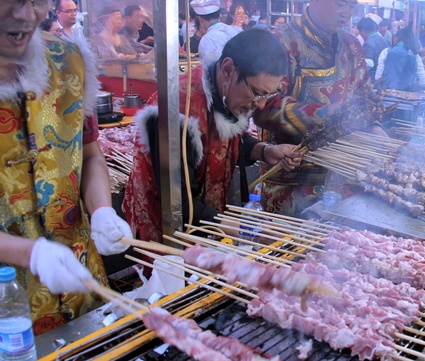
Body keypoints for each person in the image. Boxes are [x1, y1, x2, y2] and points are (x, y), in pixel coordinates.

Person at [0, 0, 132, 335]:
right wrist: (29, 254)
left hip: (80, 274)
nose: (26, 14)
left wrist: (103, 211)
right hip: (10, 307)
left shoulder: (69, 61)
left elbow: (88, 155)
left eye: (36, 1)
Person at [122, 29, 300, 244]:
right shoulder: (175, 110)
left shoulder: (224, 92)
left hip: (206, 222)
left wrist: (264, 150)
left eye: (268, 95)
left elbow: (224, 140)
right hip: (167, 232)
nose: (261, 104)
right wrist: (250, 230)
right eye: (257, 92)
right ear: (228, 69)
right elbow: (178, 204)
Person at [253, 0, 385, 216]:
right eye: (341, 4)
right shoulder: (281, 41)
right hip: (292, 177)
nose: (347, 13)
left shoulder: (352, 45)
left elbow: (365, 96)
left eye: (352, 6)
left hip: (345, 175)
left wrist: (375, 126)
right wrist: (326, 113)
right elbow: (263, 104)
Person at [376, 26, 425, 92]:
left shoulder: (386, 52)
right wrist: (415, 83)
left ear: (397, 38)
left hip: (387, 95)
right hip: (408, 97)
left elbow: (378, 77)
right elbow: (423, 83)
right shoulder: (415, 56)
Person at [193, 0, 242, 66]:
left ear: (201, 20)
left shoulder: (207, 39)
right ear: (219, 16)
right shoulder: (237, 30)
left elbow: (207, 70)